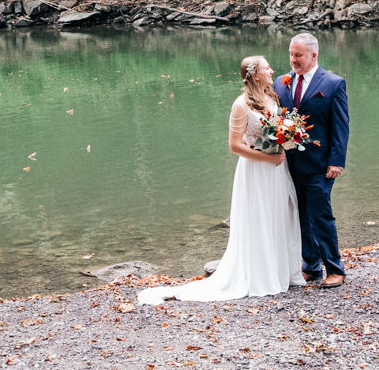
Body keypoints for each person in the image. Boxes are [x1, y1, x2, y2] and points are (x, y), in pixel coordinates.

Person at [137, 55, 303, 305]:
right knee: (257, 220)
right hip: (256, 172)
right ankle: (259, 277)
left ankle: (278, 272)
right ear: (255, 74)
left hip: (277, 170)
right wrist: (266, 158)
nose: (272, 70)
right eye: (266, 67)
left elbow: (278, 130)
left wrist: (285, 142)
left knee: (278, 217)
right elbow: (234, 146)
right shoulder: (241, 104)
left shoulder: (273, 97)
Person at [275, 32, 348, 288]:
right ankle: (311, 266)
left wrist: (336, 161)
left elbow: (341, 126)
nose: (293, 60)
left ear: (313, 55)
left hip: (320, 164)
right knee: (301, 215)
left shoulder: (333, 84)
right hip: (289, 163)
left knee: (321, 215)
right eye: (291, 54)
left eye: (298, 55)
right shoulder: (281, 82)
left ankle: (335, 269)